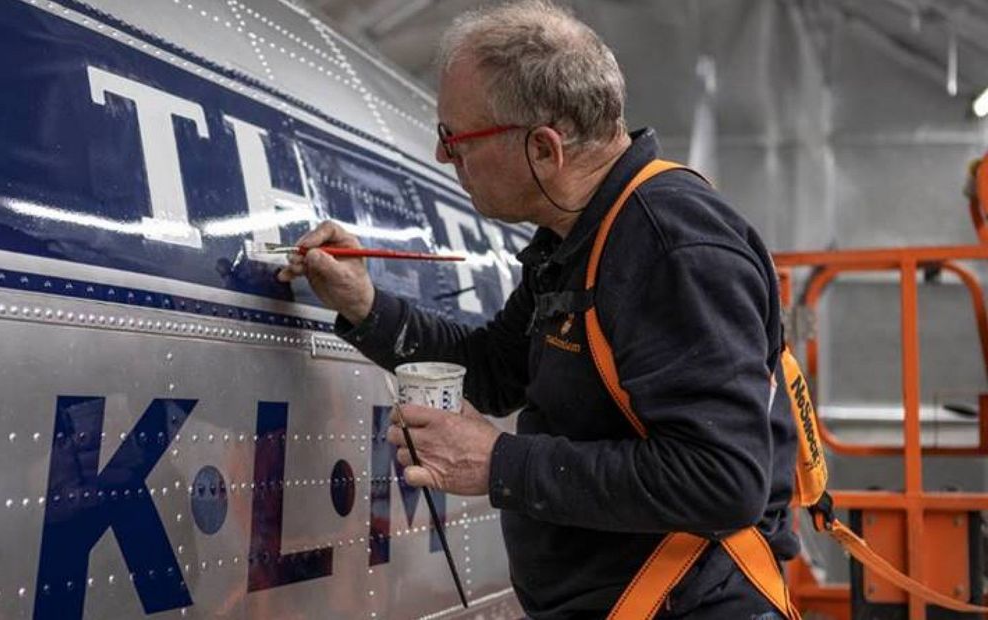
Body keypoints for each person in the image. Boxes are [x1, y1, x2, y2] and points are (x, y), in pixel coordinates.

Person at [277, 1, 798, 618]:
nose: (445, 159)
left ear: (544, 150)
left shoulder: (667, 243)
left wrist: (498, 463)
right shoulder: (579, 236)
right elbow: (496, 371)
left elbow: (721, 478)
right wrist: (364, 306)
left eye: (455, 138)